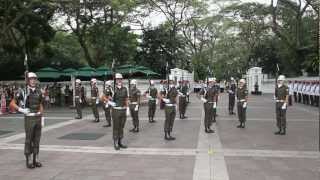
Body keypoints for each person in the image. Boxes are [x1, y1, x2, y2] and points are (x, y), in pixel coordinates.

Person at [10, 72, 44, 169]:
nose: (33, 80)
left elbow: (41, 104)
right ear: (28, 80)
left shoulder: (39, 91)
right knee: (29, 140)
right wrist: (21, 110)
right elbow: (12, 103)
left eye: (34, 79)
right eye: (31, 79)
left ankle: (36, 159)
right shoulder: (23, 91)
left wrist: (41, 114)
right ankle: (28, 159)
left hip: (38, 117)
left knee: (37, 139)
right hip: (29, 117)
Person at [108, 73, 128, 150]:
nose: (119, 80)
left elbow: (126, 99)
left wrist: (127, 108)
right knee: (116, 127)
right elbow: (102, 97)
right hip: (116, 110)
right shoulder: (112, 88)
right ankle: (115, 142)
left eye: (120, 79)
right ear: (115, 80)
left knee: (122, 126)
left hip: (123, 110)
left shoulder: (125, 88)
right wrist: (110, 102)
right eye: (118, 79)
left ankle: (120, 141)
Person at [162, 75, 178, 140]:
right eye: (171, 81)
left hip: (173, 107)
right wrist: (164, 99)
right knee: (168, 121)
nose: (173, 82)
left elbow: (176, 97)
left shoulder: (174, 88)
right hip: (168, 107)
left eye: (173, 81)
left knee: (172, 121)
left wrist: (177, 105)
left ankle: (169, 134)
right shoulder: (166, 88)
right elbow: (159, 95)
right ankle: (166, 135)